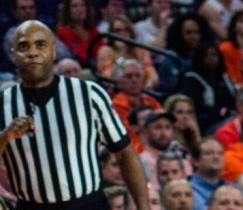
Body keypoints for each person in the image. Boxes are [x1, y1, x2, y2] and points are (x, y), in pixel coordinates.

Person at [0, 21, 151, 210]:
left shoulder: (88, 94)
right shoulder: (3, 102)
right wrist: (4, 137)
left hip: (87, 204)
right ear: (13, 54)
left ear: (54, 51)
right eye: (24, 46)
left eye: (41, 45)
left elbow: (124, 153)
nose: (32, 52)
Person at [190, 138, 229, 210]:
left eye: (220, 153)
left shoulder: (234, 188)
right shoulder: (187, 190)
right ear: (195, 161)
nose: (216, 157)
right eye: (209, 153)